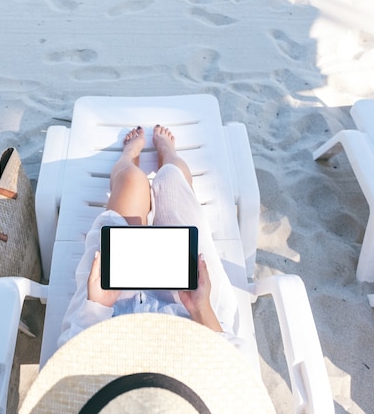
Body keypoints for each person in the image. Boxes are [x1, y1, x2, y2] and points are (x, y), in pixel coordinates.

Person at [58, 125, 250, 354]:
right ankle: (168, 154)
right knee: (170, 178)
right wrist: (201, 309)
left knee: (131, 180)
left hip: (109, 313)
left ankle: (129, 157)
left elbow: (67, 358)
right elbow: (239, 362)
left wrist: (97, 307)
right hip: (193, 314)